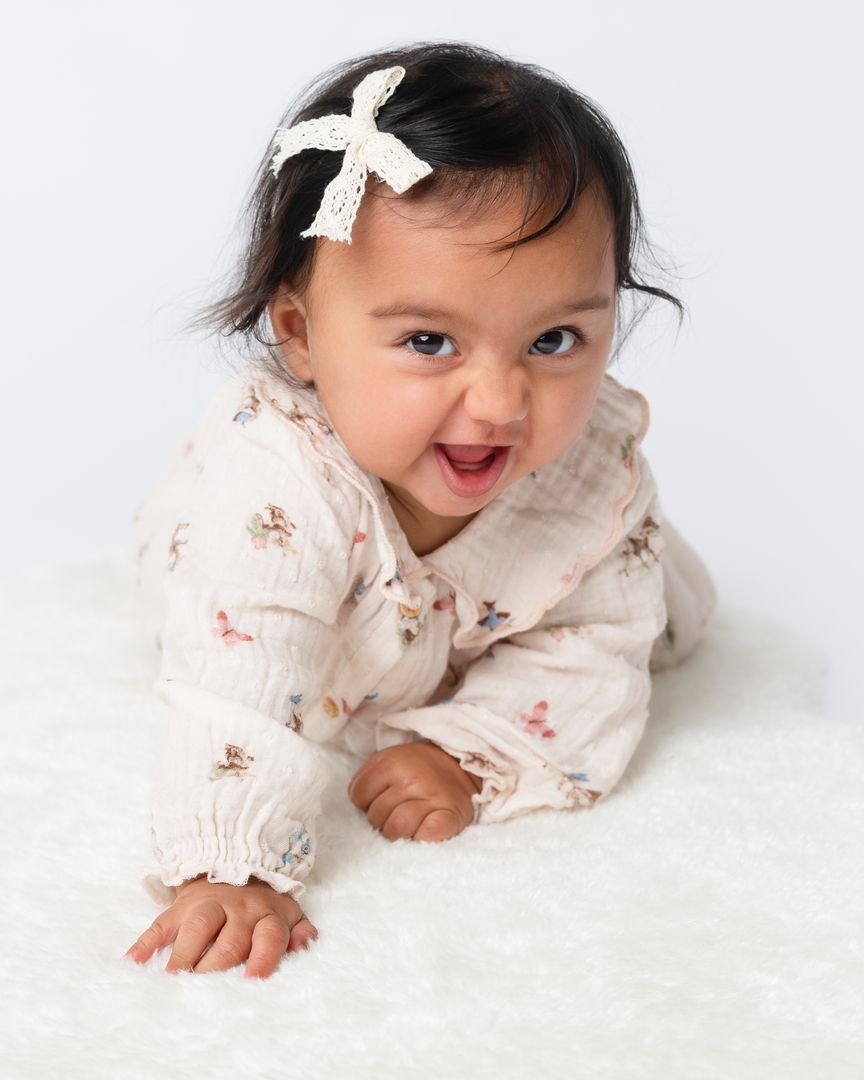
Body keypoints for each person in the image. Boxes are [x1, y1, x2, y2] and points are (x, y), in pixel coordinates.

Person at [123, 42, 717, 979]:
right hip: (277, 588)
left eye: (554, 339)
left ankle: (628, 565)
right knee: (227, 630)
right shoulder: (275, 481)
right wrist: (227, 866)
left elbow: (595, 657)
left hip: (500, 585)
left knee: (665, 616)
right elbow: (240, 683)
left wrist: (464, 755)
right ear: (301, 333)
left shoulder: (581, 468)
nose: (500, 403)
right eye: (430, 341)